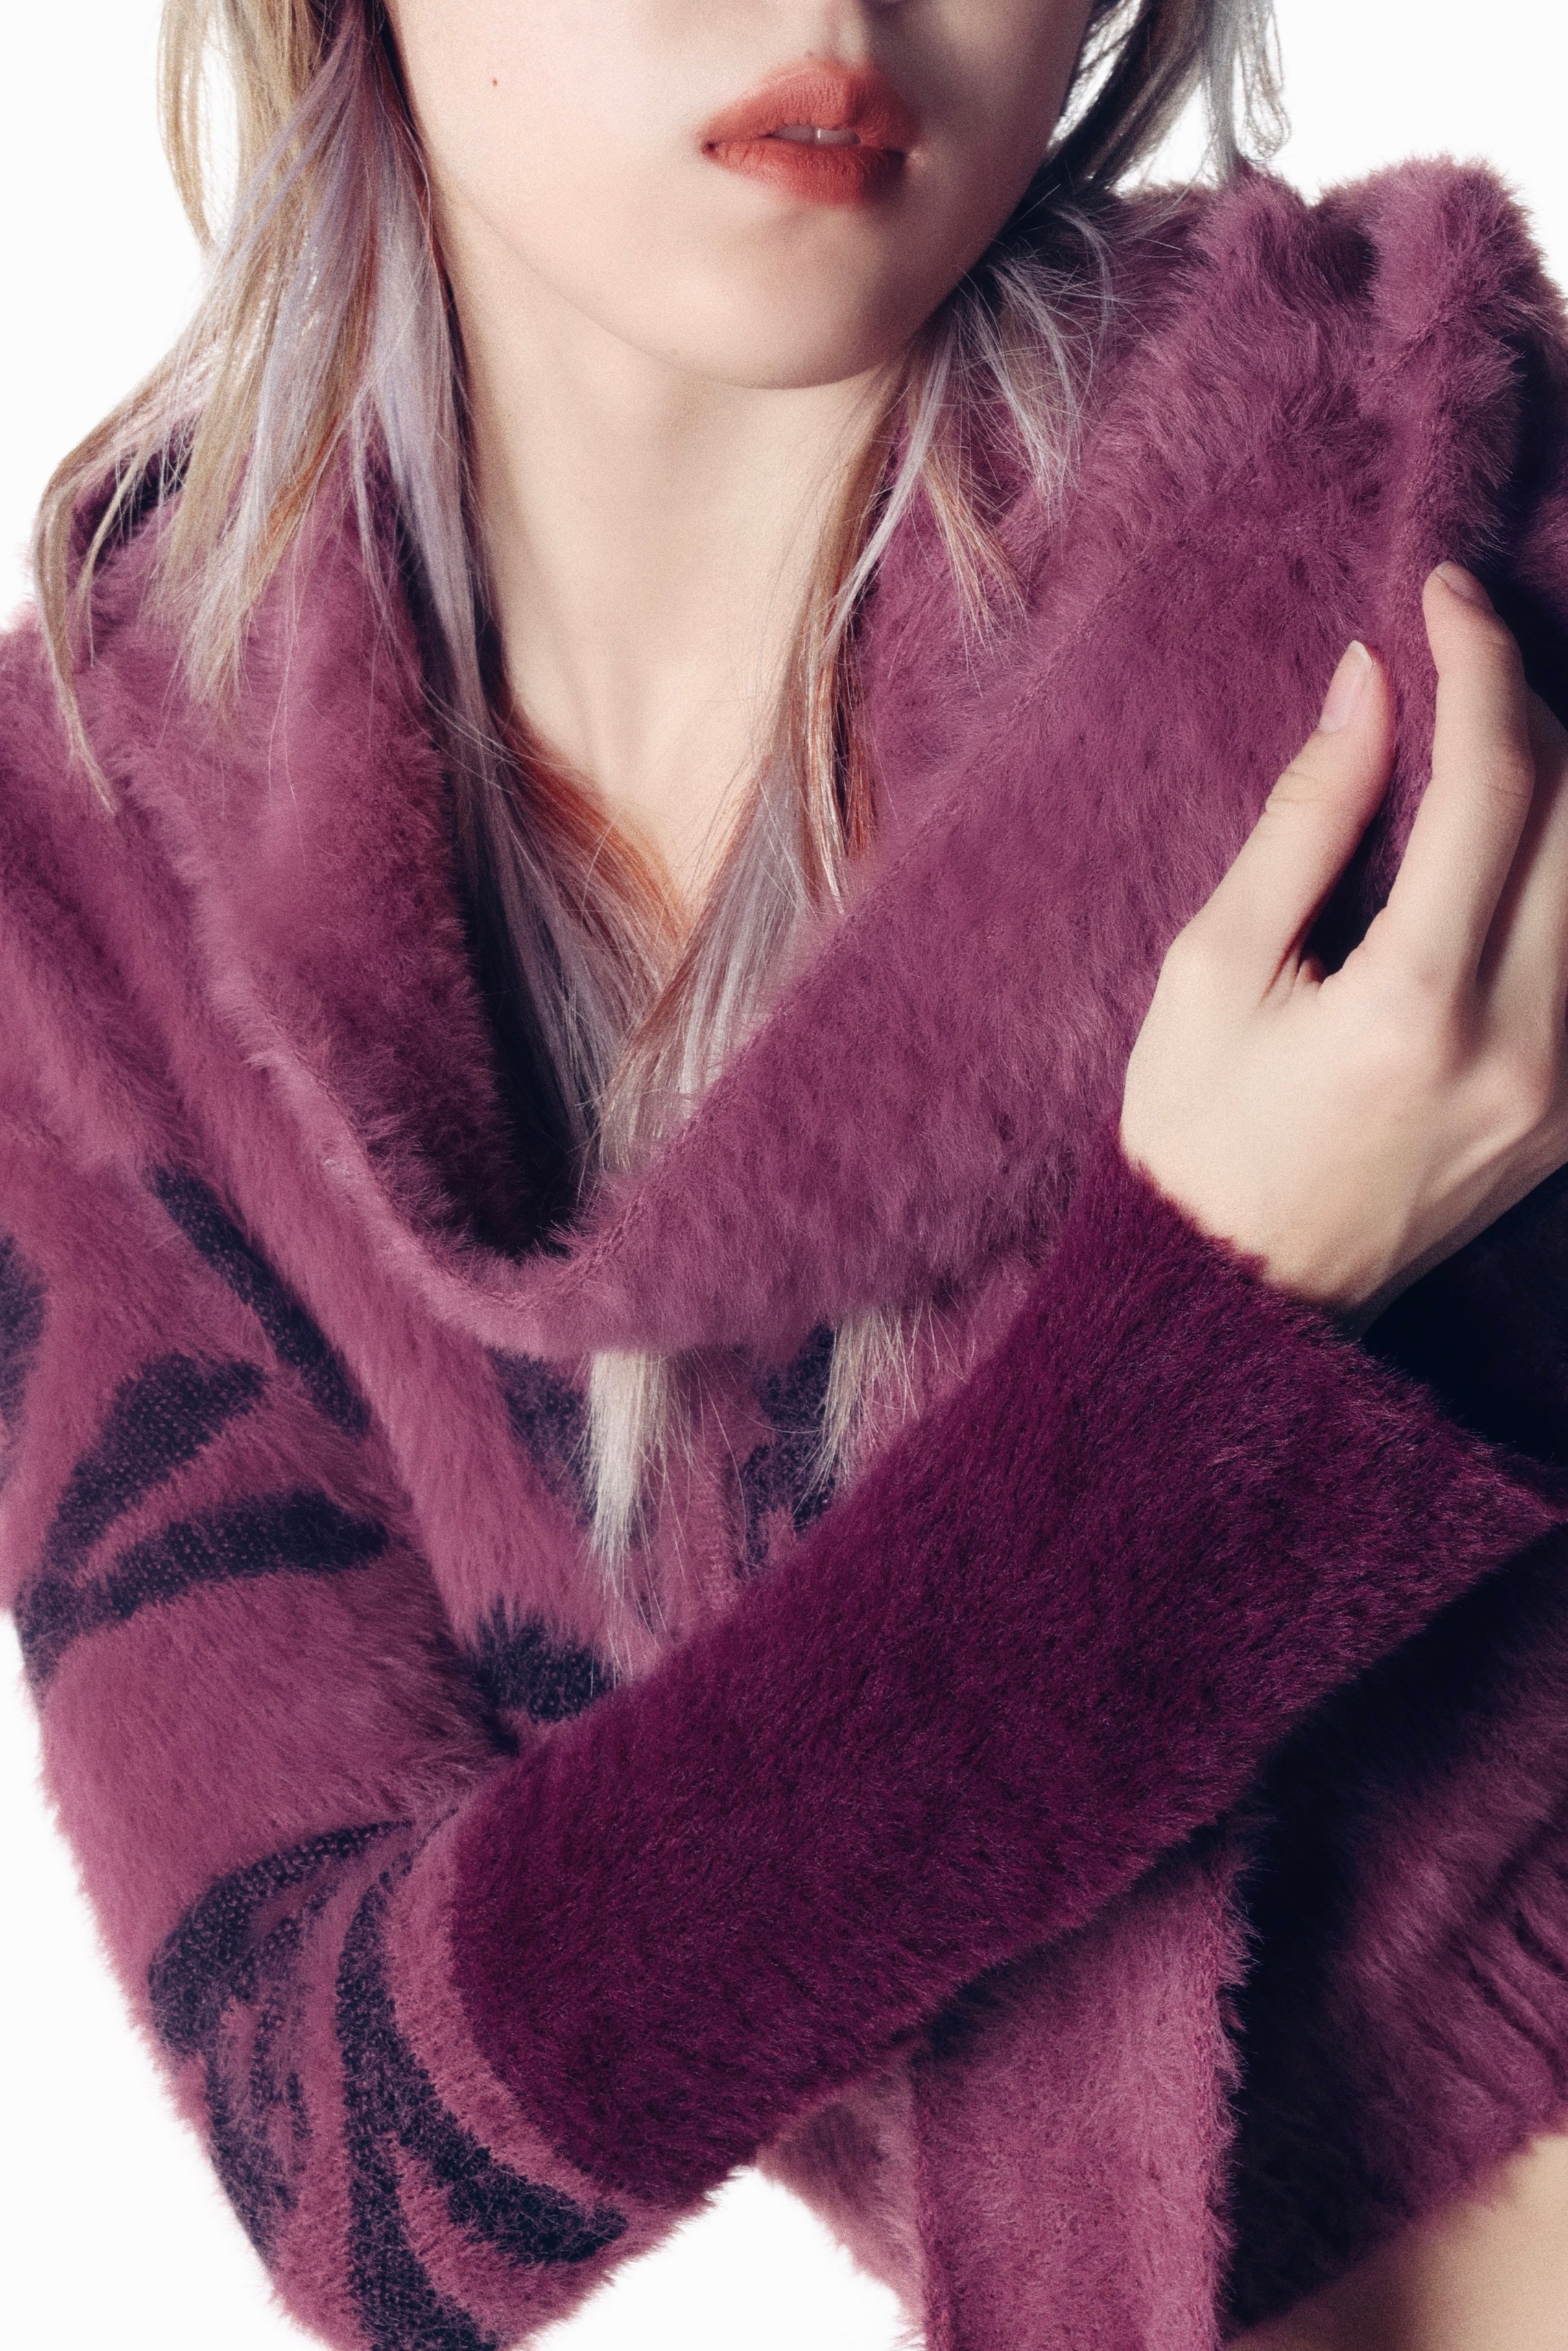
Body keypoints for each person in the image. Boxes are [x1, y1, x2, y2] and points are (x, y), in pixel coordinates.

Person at [4, 2, 1568, 2346]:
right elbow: (357, 2167)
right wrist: (1206, 1358)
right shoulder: (95, 893)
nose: (836, 12)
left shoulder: (1437, 506)